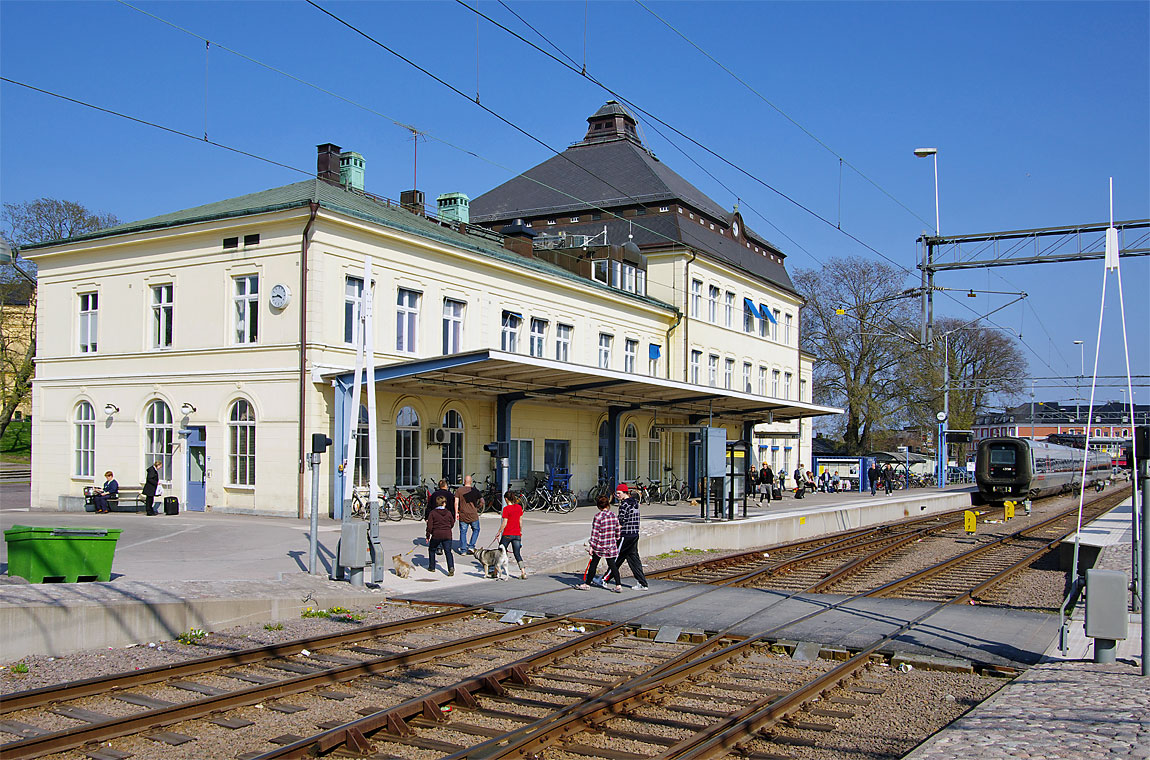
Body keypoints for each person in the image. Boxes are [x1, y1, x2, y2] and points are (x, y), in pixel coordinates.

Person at [602, 483, 649, 590]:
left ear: (625, 493)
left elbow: (621, 520)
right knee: (633, 559)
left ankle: (605, 579)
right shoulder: (635, 503)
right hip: (634, 534)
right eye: (616, 493)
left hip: (625, 535)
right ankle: (642, 583)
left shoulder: (624, 504)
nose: (617, 495)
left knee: (617, 558)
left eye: (619, 493)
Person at [574, 496, 623, 592]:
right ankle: (618, 585)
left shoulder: (598, 517)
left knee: (594, 564)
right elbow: (617, 529)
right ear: (608, 505)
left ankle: (587, 584)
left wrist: (592, 546)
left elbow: (595, 533)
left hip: (600, 545)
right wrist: (617, 538)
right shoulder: (613, 515)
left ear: (598, 506)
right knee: (612, 565)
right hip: (611, 544)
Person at [497, 490, 527, 579]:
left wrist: (499, 531)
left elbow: (504, 522)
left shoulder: (506, 509)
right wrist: (520, 531)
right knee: (517, 554)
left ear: (506, 499)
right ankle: (523, 572)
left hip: (507, 534)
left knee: (500, 552)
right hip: (517, 534)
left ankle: (495, 571)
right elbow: (520, 521)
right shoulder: (519, 507)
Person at [425, 494, 455, 576]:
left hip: (436, 534)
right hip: (447, 534)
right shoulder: (448, 513)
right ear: (444, 503)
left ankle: (432, 567)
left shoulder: (433, 513)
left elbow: (429, 526)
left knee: (432, 549)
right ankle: (451, 567)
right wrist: (448, 528)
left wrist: (428, 535)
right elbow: (452, 523)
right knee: (448, 551)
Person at [454, 475, 482, 554]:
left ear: (464, 481)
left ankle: (463, 550)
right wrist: (478, 507)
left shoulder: (459, 490)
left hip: (463, 514)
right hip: (473, 514)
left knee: (463, 532)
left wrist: (456, 513)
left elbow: (456, 503)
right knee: (476, 530)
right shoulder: (475, 490)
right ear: (471, 482)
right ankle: (471, 546)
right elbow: (482, 501)